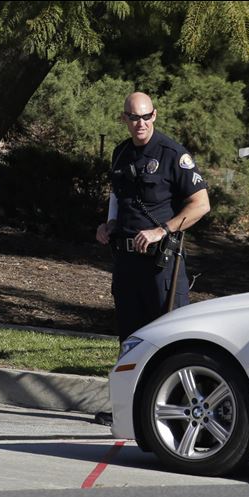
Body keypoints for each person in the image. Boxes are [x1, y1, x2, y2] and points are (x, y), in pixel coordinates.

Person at [94, 92, 211, 425]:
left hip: (162, 263)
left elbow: (201, 204)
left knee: (172, 334)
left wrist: (163, 230)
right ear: (124, 119)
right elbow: (117, 196)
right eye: (133, 117)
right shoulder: (121, 153)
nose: (140, 123)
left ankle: (184, 407)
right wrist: (110, 224)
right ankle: (127, 408)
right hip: (128, 261)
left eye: (145, 117)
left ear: (155, 116)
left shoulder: (173, 154)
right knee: (131, 336)